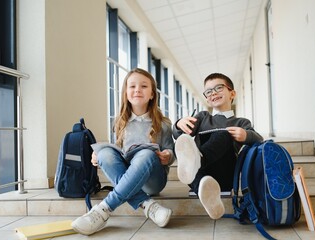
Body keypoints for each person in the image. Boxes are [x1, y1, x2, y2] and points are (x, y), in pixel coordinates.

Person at [72, 68, 175, 235]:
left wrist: (167, 156)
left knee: (146, 154)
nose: (137, 90)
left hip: (153, 180)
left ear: (152, 95)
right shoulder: (120, 122)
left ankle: (103, 210)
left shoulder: (163, 123)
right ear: (126, 93)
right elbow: (119, 151)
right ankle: (148, 205)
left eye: (143, 86)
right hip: (130, 177)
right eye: (132, 86)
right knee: (104, 152)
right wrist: (98, 155)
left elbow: (171, 150)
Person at [173, 73, 263, 220]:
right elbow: (180, 135)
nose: (213, 93)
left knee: (223, 134)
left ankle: (198, 160)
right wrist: (178, 124)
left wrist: (246, 135)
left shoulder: (241, 122)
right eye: (209, 91)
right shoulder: (202, 117)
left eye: (219, 88)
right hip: (199, 174)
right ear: (207, 98)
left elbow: (259, 140)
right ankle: (206, 192)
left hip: (225, 173)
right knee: (184, 150)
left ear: (232, 93)